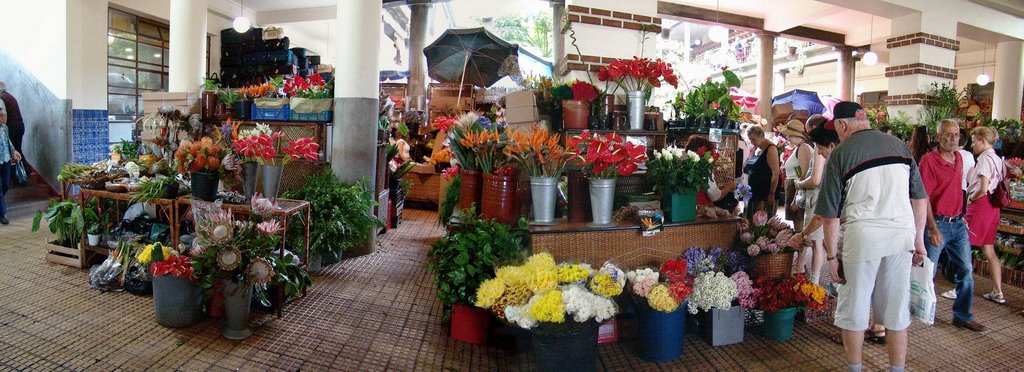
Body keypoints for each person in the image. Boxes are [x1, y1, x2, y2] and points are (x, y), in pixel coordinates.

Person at [815, 101, 928, 372]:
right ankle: (896, 369)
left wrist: (831, 257)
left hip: (862, 239)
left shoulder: (841, 153)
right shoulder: (899, 146)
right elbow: (920, 198)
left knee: (854, 307)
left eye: (836, 129)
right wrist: (919, 241)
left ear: (843, 125)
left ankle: (855, 368)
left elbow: (830, 216)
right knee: (895, 309)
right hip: (901, 236)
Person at [918, 119, 985, 331]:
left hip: (957, 224)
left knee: (966, 270)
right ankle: (919, 312)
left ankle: (962, 315)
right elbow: (923, 198)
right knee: (927, 272)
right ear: (937, 137)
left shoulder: (959, 157)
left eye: (956, 134)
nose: (953, 139)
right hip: (938, 223)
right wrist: (933, 228)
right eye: (947, 135)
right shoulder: (928, 161)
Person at [964, 126, 1007, 304]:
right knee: (989, 249)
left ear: (983, 141)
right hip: (993, 208)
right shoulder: (998, 159)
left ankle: (961, 287)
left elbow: (982, 189)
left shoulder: (984, 159)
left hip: (980, 206)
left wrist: (970, 199)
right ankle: (998, 290)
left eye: (974, 141)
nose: (973, 145)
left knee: (963, 245)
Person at [792, 115, 828, 283]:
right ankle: (814, 281)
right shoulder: (823, 145)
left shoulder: (820, 146)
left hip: (816, 197)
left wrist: (799, 184)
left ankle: (814, 282)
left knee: (815, 242)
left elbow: (815, 179)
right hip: (820, 196)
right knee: (817, 242)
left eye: (808, 130)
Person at [684, 135, 737, 209]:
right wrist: (729, 187)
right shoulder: (704, 168)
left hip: (683, 209)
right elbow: (715, 196)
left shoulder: (684, 165)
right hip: (700, 211)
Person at [742, 125, 780, 220]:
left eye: (753, 139)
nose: (752, 142)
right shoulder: (756, 148)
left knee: (761, 223)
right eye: (750, 140)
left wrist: (772, 193)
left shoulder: (771, 149)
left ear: (762, 136)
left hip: (764, 193)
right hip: (753, 192)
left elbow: (775, 173)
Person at [782, 120, 812, 231]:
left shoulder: (803, 147)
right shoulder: (800, 147)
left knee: (798, 224)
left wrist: (796, 198)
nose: (787, 138)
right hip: (794, 185)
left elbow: (803, 174)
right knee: (796, 223)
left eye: (788, 135)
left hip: (797, 187)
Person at [0, 99, 23, 225]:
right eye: (2, 116)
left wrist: (14, 151)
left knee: (6, 184)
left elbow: (8, 142)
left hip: (5, 160)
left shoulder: (4, 128)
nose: (3, 118)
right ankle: (3, 215)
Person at [0, 82, 24, 155]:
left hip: (12, 129)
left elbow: (2, 116)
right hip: (19, 127)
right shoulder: (10, 96)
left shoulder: (1, 98)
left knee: (13, 155)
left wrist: (2, 131)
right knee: (18, 154)